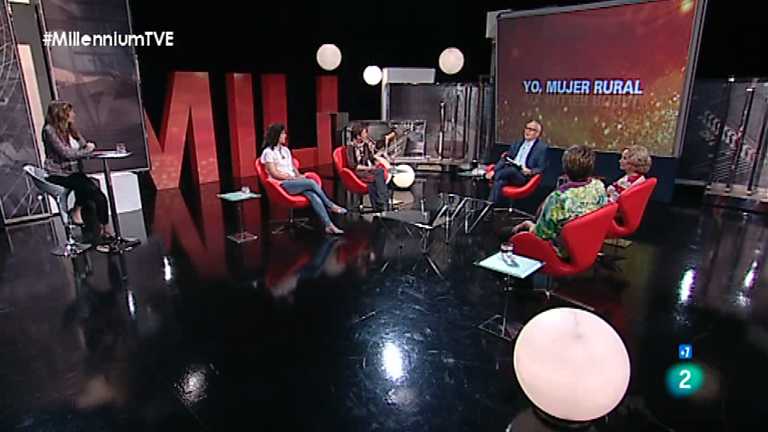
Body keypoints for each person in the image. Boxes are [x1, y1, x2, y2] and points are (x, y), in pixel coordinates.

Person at [513, 145, 607, 256]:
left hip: (561, 252)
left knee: (509, 233)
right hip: (590, 245)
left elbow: (542, 235)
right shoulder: (598, 186)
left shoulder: (558, 198)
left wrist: (528, 225)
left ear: (565, 168)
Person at [42, 100, 111, 242]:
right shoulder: (49, 130)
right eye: (71, 112)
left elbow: (84, 145)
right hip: (58, 173)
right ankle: (103, 227)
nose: (74, 114)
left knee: (95, 190)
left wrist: (86, 146)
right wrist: (87, 150)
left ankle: (97, 223)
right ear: (61, 114)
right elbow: (66, 153)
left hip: (72, 173)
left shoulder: (69, 129)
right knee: (93, 190)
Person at [260, 123, 347, 235]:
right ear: (276, 135)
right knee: (311, 183)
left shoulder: (286, 150)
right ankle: (330, 205)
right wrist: (290, 177)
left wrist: (299, 176)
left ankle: (329, 226)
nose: (285, 136)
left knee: (312, 195)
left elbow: (292, 167)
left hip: (293, 181)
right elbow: (274, 173)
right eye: (283, 134)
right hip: (282, 184)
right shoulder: (268, 152)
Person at [487, 120, 548, 204]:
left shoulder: (541, 148)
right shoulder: (517, 143)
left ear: (537, 133)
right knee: (499, 182)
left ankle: (489, 176)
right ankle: (488, 208)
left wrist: (530, 171)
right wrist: (494, 170)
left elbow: (541, 168)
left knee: (512, 170)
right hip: (507, 173)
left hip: (522, 176)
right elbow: (505, 158)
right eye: (526, 128)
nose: (527, 131)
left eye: (531, 130)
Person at [347, 123, 390, 211]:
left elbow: (371, 158)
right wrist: (369, 168)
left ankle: (378, 206)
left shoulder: (365, 145)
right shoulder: (350, 148)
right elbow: (352, 165)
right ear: (358, 136)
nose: (367, 135)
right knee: (379, 173)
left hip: (367, 170)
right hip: (358, 172)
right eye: (365, 133)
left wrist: (378, 157)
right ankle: (383, 201)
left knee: (375, 178)